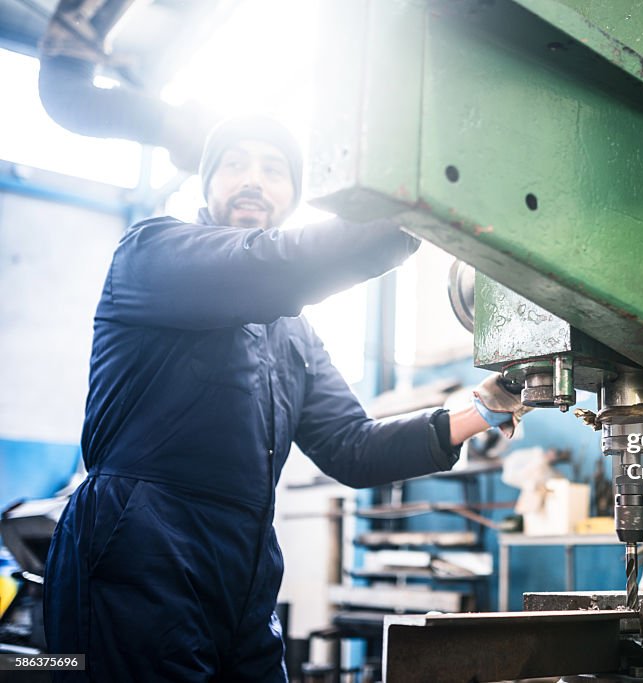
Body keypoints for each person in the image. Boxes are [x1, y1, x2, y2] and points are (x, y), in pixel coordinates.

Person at [43, 116, 529, 682]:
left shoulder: (293, 336)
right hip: (139, 551)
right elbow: (275, 264)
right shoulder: (153, 253)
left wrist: (487, 408)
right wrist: (415, 205)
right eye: (234, 164)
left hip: (244, 567)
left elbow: (352, 447)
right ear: (207, 184)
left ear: (295, 194)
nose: (253, 180)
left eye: (273, 170)